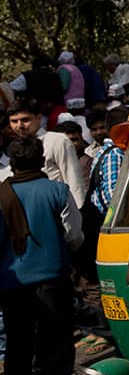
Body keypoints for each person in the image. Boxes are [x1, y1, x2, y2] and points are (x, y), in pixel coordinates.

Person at [0, 136, 83, 374]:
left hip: (12, 284)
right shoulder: (58, 191)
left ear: (12, 164)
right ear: (43, 160)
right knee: (56, 343)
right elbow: (74, 235)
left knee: (17, 344)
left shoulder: (1, 195)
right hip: (53, 280)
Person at [8, 98, 86, 208]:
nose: (19, 126)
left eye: (25, 120)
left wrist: (79, 212)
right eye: (14, 121)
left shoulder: (57, 141)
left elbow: (74, 179)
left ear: (39, 118)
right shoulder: (14, 147)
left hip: (59, 209)